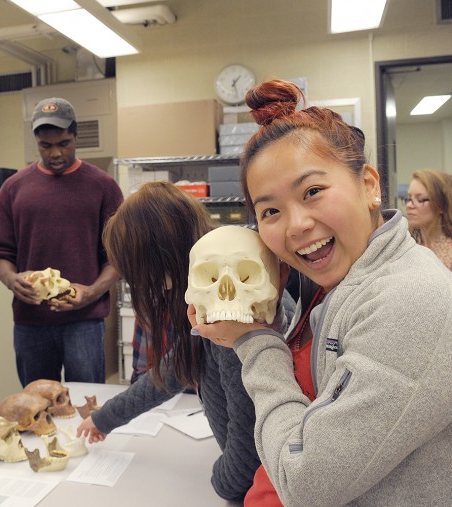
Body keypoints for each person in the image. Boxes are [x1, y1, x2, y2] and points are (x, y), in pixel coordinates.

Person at [192, 79, 452, 506]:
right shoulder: (337, 285)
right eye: (270, 211)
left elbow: (306, 481)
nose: (295, 225)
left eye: (312, 191)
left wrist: (254, 343)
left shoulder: (412, 298)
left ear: (369, 185)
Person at [77, 182, 279, 501]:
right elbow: (175, 367)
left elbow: (248, 456)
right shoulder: (204, 296)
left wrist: (219, 483)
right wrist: (106, 417)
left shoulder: (227, 308)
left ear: (161, 258)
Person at [0, 97, 124, 386]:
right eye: (46, 146)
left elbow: (117, 257)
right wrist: (11, 279)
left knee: (87, 406)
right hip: (30, 323)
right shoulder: (14, 188)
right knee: (36, 407)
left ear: (75, 135)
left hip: (84, 321)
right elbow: (1, 252)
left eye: (64, 143)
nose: (56, 153)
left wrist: (92, 292)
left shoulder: (102, 186)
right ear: (36, 142)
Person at [404, 169, 452, 269]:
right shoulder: (405, 244)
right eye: (409, 199)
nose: (409, 205)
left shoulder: (449, 252)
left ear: (441, 205)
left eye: (420, 199)